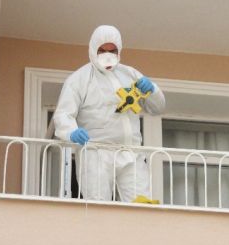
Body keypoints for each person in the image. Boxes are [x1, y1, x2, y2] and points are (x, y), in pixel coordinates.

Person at [53, 25, 166, 202]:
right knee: (98, 205)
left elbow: (157, 108)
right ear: (93, 49)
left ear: (119, 51)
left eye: (112, 51)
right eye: (102, 50)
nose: (107, 55)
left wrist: (152, 90)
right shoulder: (79, 80)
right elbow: (63, 114)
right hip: (95, 153)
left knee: (142, 205)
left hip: (131, 153)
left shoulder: (129, 74)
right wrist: (71, 132)